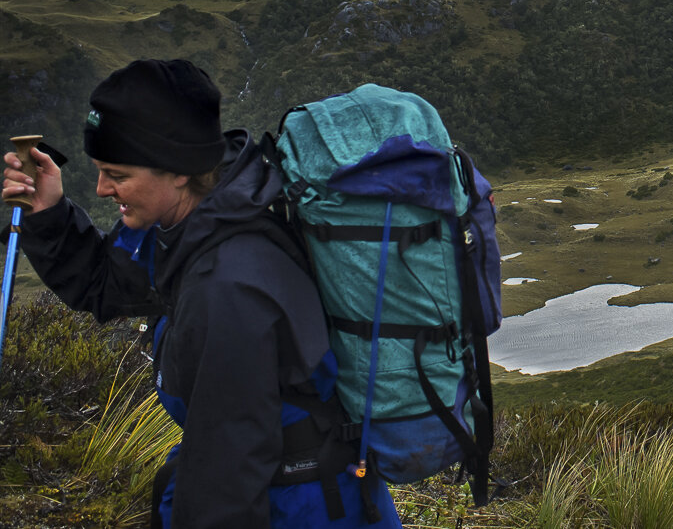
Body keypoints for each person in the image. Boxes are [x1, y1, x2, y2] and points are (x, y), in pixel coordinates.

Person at [2, 59, 400, 529]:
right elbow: (108, 286)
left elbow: (225, 478)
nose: (102, 188)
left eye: (117, 174)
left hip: (299, 509)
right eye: (100, 170)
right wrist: (48, 212)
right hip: (286, 488)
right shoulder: (195, 220)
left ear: (179, 170)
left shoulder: (228, 286)